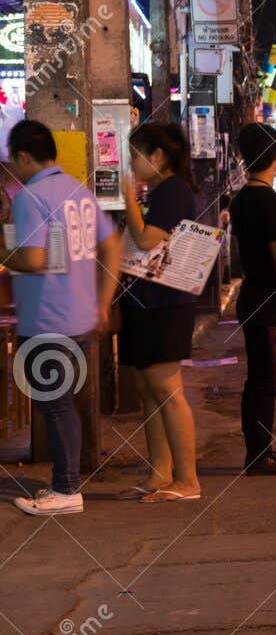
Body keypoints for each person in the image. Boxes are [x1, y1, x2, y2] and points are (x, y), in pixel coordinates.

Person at [3, 121, 121, 515]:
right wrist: (102, 302)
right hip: (80, 316)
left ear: (23, 156)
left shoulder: (30, 197)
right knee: (62, 403)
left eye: (12, 161)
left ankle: (66, 489)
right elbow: (112, 245)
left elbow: (35, 260)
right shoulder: (79, 192)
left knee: (55, 405)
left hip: (46, 317)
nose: (12, 170)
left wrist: (3, 253)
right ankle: (65, 484)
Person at [117, 122, 204, 502]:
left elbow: (146, 237)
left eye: (135, 155)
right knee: (147, 386)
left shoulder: (173, 191)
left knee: (167, 388)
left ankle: (188, 480)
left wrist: (128, 199)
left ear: (156, 157)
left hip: (166, 303)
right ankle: (159, 472)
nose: (130, 163)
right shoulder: (158, 191)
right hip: (144, 300)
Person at [230, 123, 276, 476]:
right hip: (270, 301)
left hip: (250, 297)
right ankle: (260, 454)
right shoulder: (272, 205)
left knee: (258, 376)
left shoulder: (241, 200)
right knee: (267, 379)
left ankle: (256, 450)